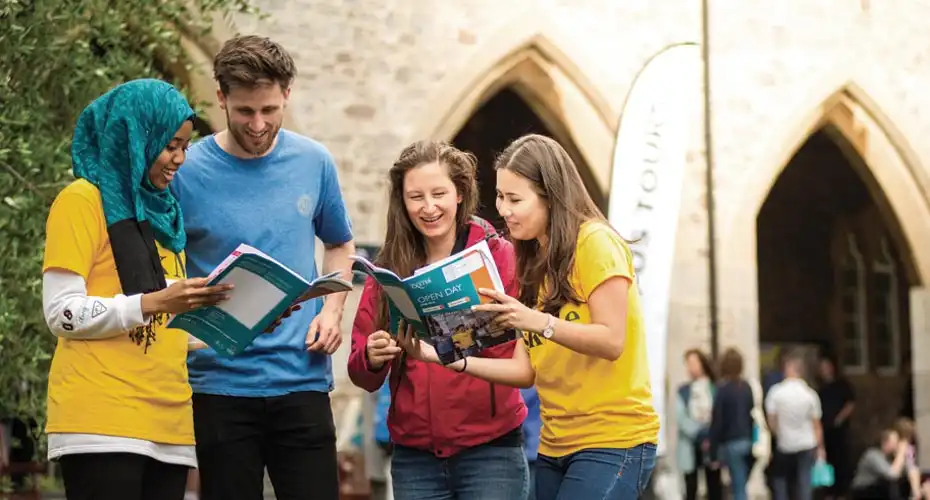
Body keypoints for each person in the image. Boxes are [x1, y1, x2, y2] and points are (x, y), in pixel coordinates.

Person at [397, 133, 659, 499]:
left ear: (550, 197)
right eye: (501, 197)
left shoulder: (595, 242)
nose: (503, 210)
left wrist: (536, 321)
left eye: (515, 199)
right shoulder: (533, 261)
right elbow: (524, 372)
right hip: (555, 445)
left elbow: (612, 340)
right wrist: (445, 358)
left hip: (613, 439)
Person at [170, 35, 355, 500]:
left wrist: (331, 314)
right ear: (221, 99)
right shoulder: (185, 172)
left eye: (270, 110)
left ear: (287, 95)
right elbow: (163, 275)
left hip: (302, 378)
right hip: (218, 383)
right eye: (245, 111)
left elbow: (339, 243)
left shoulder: (314, 161)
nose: (258, 124)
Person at [41, 78, 232, 500]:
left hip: (170, 425)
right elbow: (62, 313)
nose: (180, 158)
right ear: (136, 136)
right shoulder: (82, 201)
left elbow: (164, 328)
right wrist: (155, 301)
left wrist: (249, 320)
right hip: (102, 421)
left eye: (185, 146)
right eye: (171, 145)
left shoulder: (164, 216)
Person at [346, 140, 529, 500]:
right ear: (402, 200)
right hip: (415, 456)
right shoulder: (387, 268)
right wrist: (370, 355)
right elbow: (360, 373)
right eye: (416, 197)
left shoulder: (499, 256)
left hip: (490, 451)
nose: (428, 208)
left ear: (460, 193)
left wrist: (455, 341)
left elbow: (518, 356)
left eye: (439, 193)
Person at [765, 350, 824, 500]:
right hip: (806, 444)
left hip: (785, 443)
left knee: (780, 480)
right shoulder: (810, 395)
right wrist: (820, 447)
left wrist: (777, 433)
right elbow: (816, 425)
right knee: (804, 481)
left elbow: (771, 420)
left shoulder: (775, 393)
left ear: (786, 370)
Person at [708, 347, 755, 500]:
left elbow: (718, 421)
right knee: (740, 481)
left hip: (731, 441)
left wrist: (713, 452)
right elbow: (751, 412)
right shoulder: (746, 387)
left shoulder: (722, 389)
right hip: (747, 439)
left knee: (738, 485)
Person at [677, 348, 722, 500]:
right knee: (691, 487)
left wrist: (709, 436)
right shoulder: (683, 391)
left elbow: (719, 413)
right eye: (688, 364)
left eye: (693, 363)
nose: (690, 367)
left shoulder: (714, 387)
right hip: (691, 444)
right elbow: (681, 418)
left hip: (711, 443)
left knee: (714, 484)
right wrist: (699, 435)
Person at [816, 353, 855, 498]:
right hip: (825, 429)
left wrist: (840, 418)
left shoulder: (841, 385)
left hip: (839, 430)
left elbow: (850, 403)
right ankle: (830, 490)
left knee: (841, 459)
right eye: (821, 367)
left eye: (826, 367)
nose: (823, 370)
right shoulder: (821, 388)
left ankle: (842, 490)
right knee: (828, 459)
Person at [850, 428, 911, 499]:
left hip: (877, 490)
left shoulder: (888, 457)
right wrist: (901, 453)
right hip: (864, 491)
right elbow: (892, 475)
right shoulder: (872, 455)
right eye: (895, 441)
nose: (897, 444)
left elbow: (904, 473)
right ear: (885, 442)